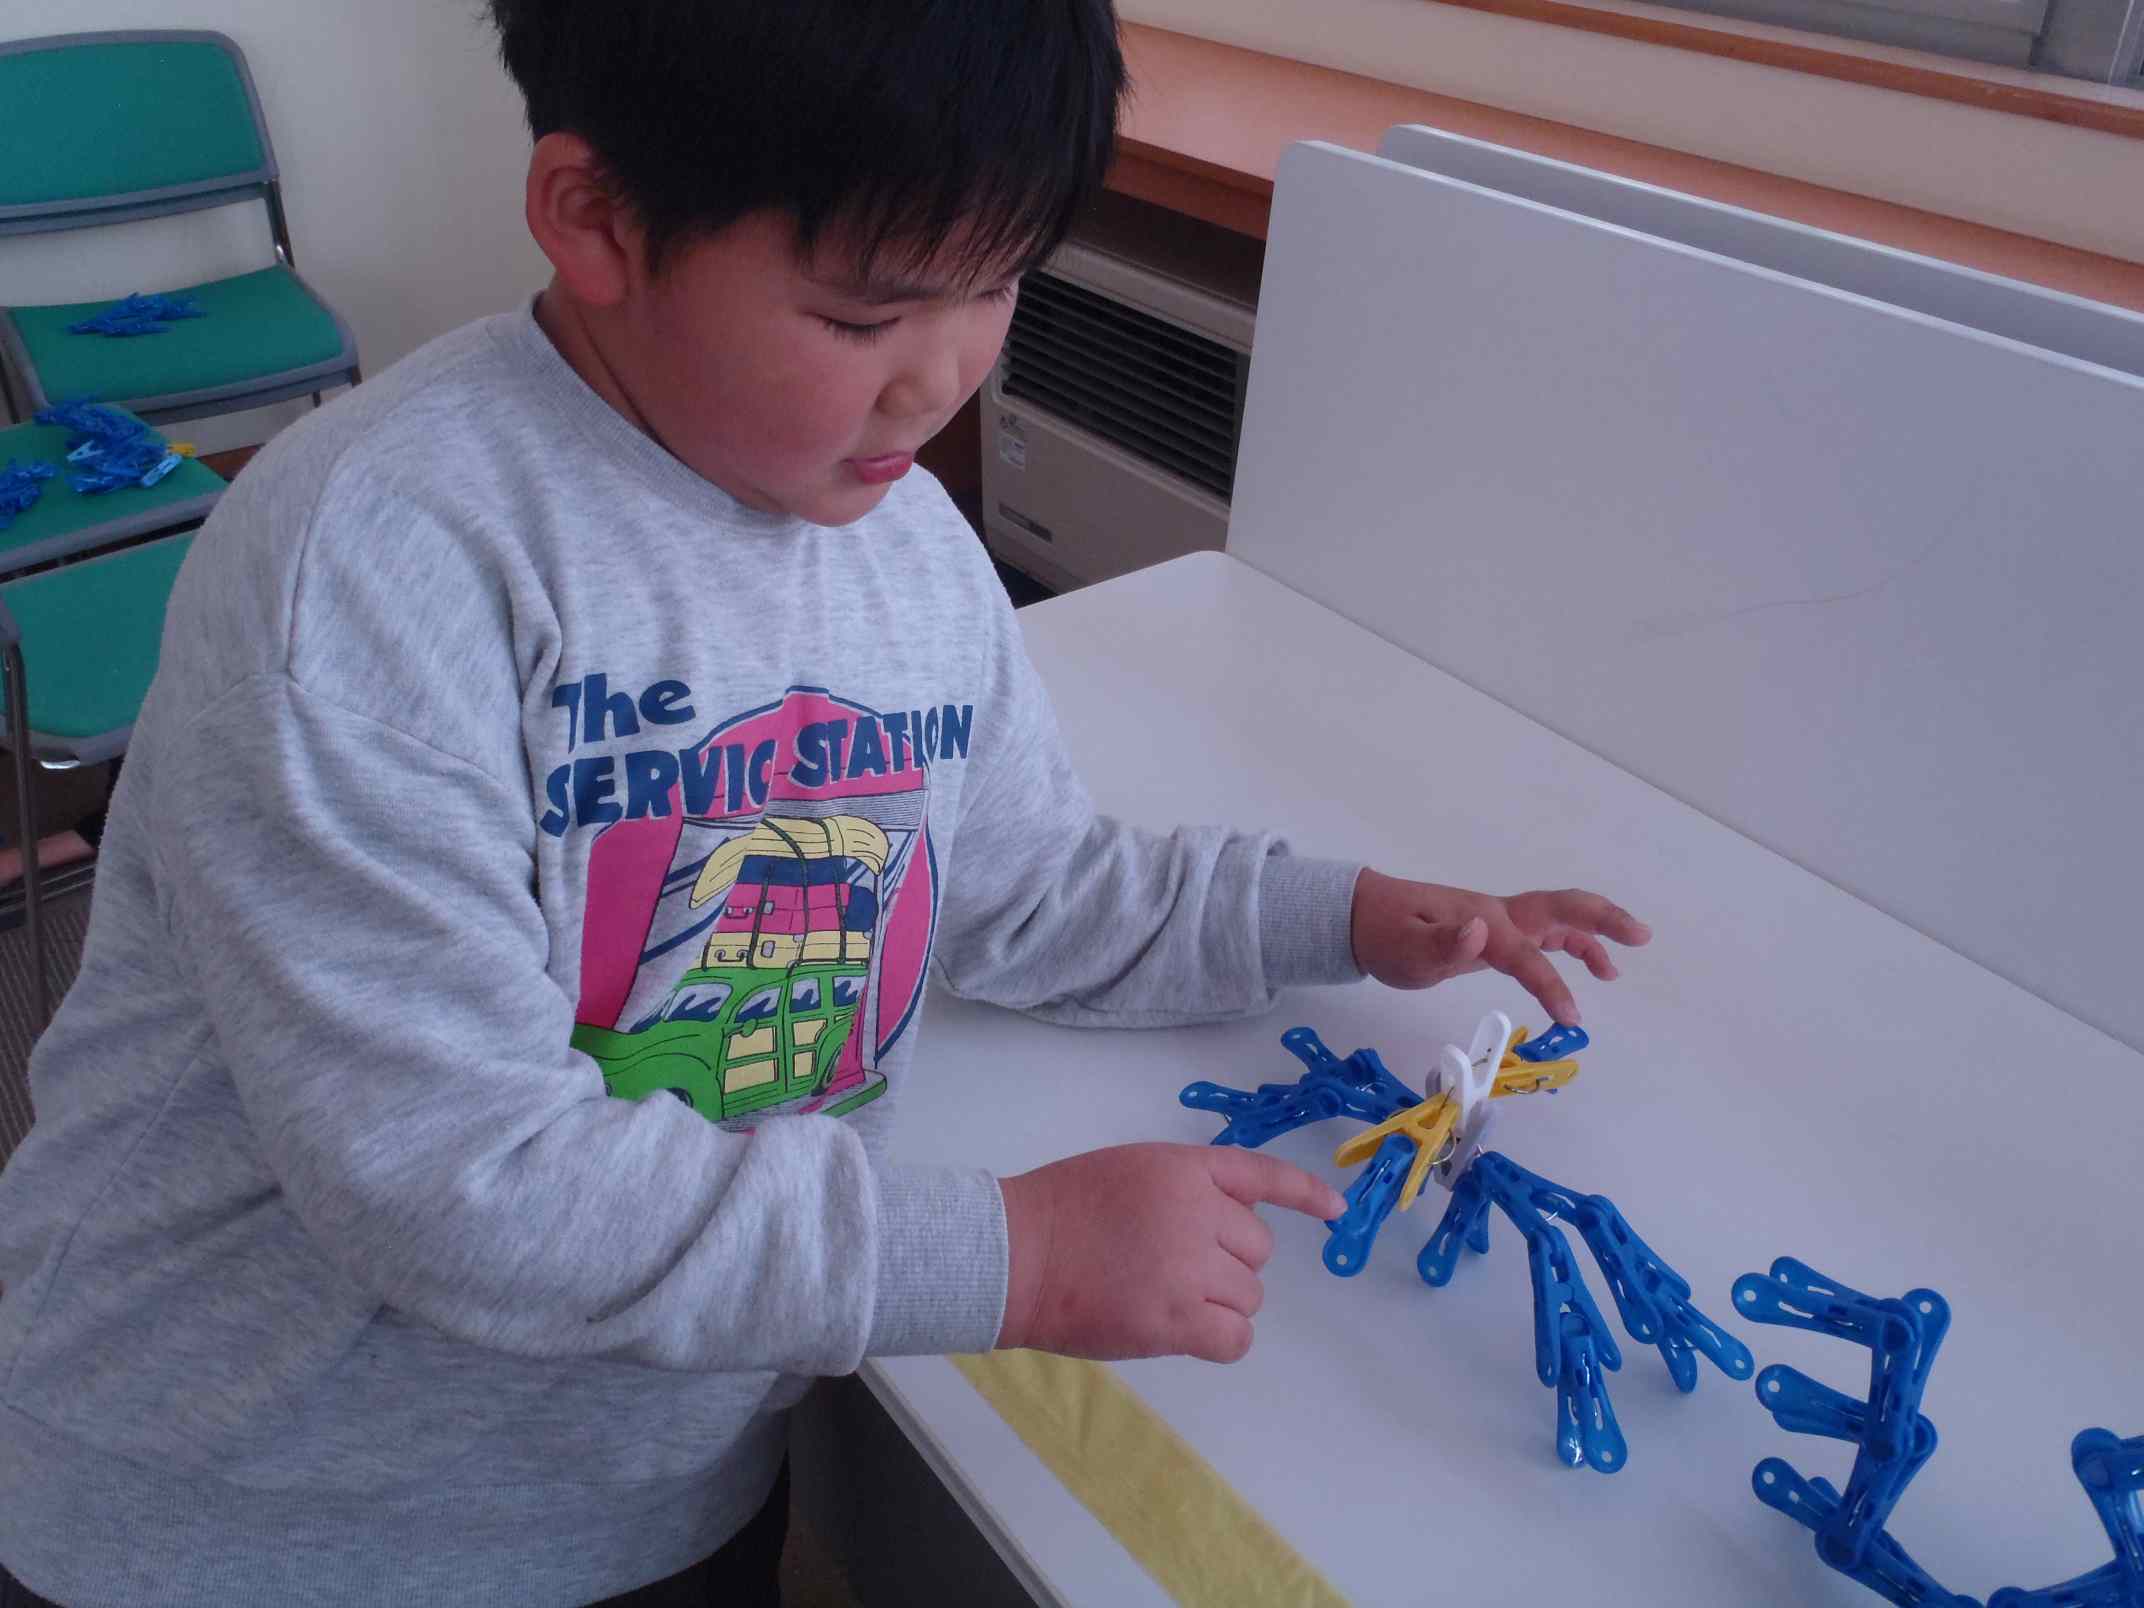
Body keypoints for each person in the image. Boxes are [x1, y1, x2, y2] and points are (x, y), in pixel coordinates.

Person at [0, 3, 1650, 1604]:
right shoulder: (373, 567)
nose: (942, 378)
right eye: (866, 317)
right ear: (596, 220)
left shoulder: (904, 550)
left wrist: (1340, 915)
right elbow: (453, 1177)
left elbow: (1026, 887)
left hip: (656, 1471)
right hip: (242, 1510)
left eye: (996, 283)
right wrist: (1015, 1254)